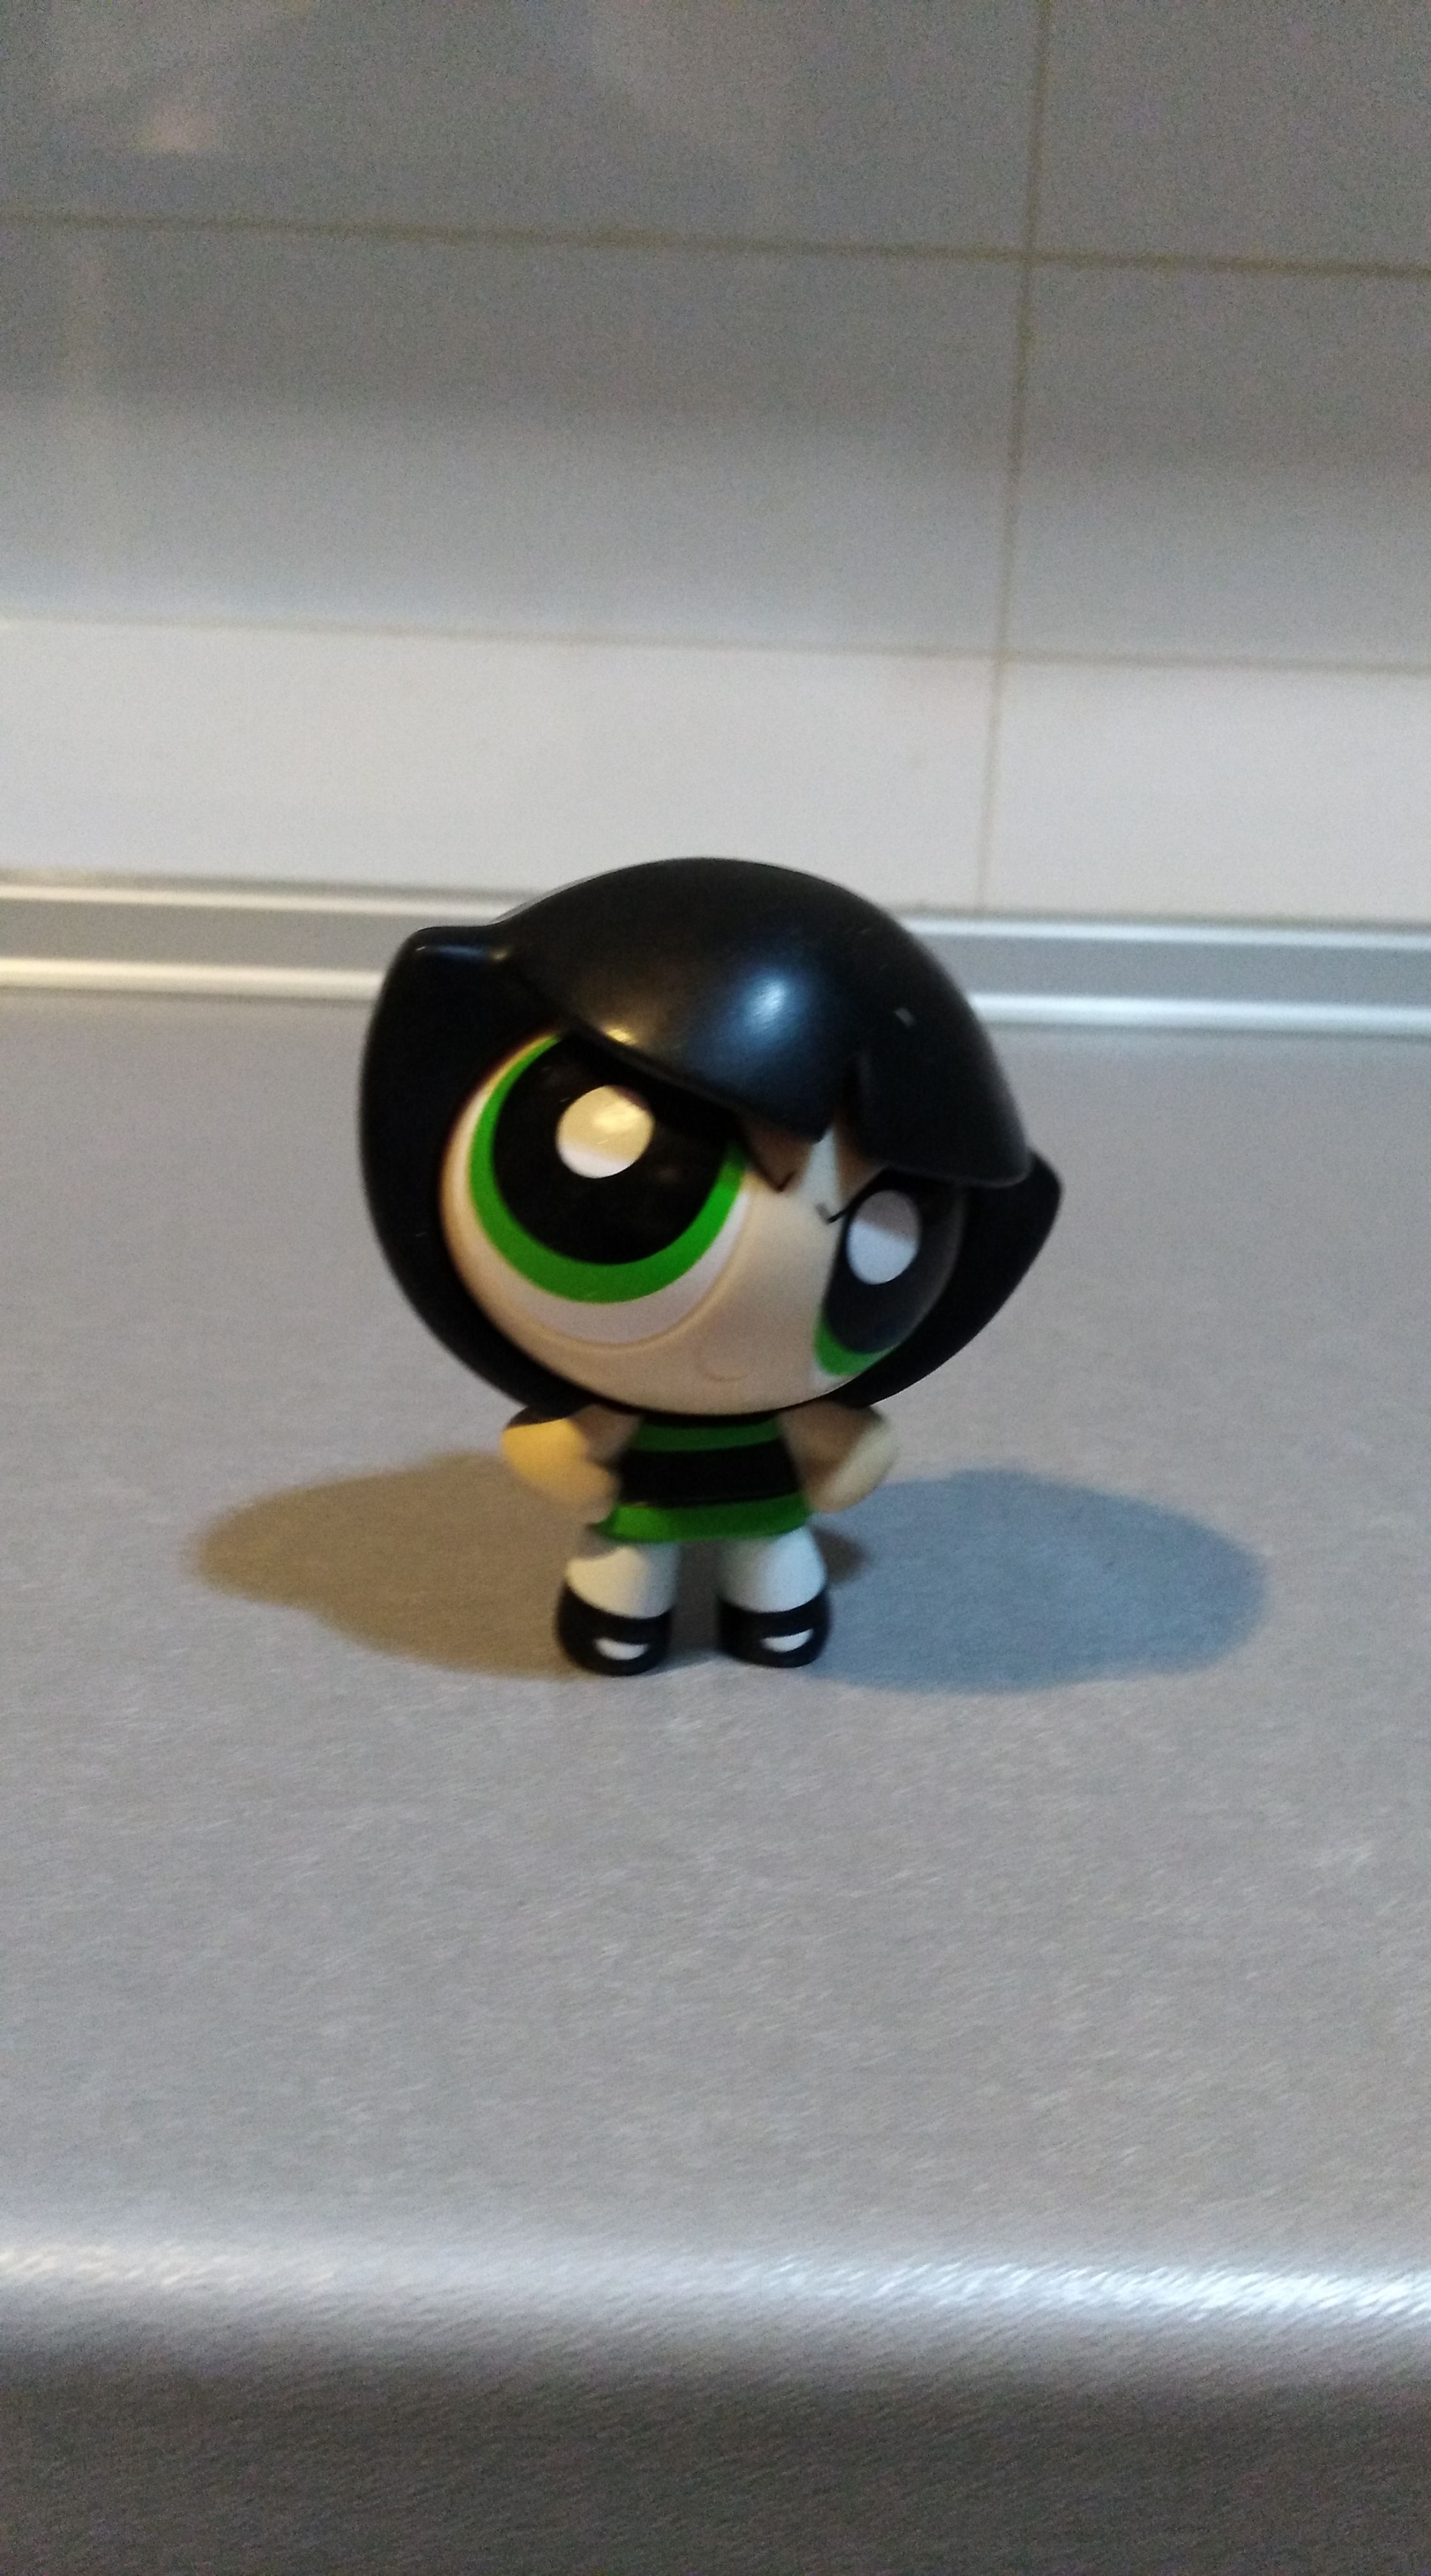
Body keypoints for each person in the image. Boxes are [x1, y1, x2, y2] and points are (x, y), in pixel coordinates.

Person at [361, 857, 1059, 1674]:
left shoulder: (808, 1388)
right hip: (640, 1518)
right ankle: (629, 1620)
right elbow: (559, 1451)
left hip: (767, 1517)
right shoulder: (612, 1393)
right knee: (628, 1580)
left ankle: (766, 1617)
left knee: (773, 1580)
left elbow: (847, 1446)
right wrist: (564, 1459)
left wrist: (852, 1453)